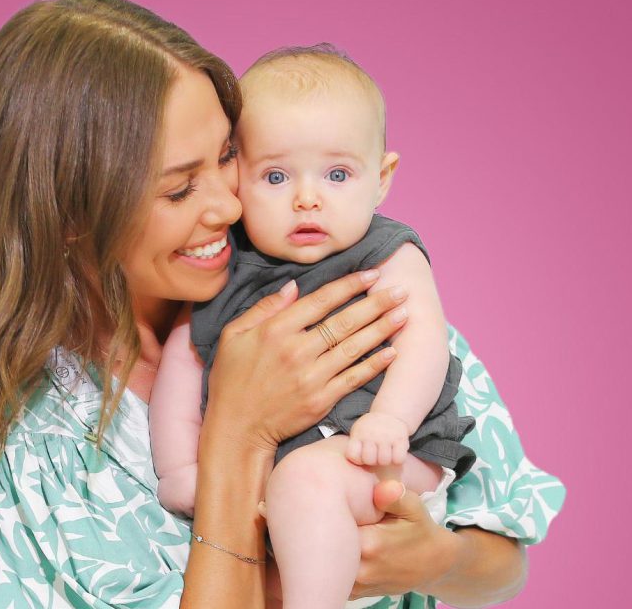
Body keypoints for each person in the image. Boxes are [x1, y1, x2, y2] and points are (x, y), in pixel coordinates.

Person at [0, 0, 565, 608]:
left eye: (227, 158)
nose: (228, 204)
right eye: (178, 188)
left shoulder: (353, 309)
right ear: (71, 215)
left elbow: (504, 555)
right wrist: (238, 437)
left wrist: (436, 560)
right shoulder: (9, 469)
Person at [148, 45, 478, 608]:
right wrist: (179, 467)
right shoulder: (226, 266)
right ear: (238, 180)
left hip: (386, 452)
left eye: (337, 174)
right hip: (281, 475)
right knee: (293, 494)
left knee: (306, 483)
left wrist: (390, 418)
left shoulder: (388, 253)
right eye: (275, 176)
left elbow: (424, 343)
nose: (307, 198)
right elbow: (182, 364)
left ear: (381, 178)